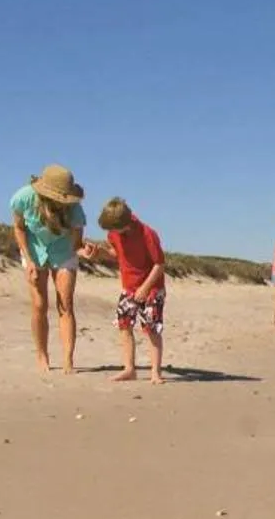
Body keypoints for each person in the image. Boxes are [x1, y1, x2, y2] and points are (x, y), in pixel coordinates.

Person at [10, 165, 87, 373]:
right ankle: (42, 355)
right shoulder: (23, 198)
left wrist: (83, 251)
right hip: (34, 252)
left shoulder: (75, 210)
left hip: (63, 252)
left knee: (65, 304)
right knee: (39, 304)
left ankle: (68, 359)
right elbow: (18, 228)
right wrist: (29, 261)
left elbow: (77, 242)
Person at [96, 197, 167, 384]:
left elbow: (159, 264)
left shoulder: (147, 234)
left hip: (152, 289)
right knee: (124, 325)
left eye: (113, 229)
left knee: (152, 329)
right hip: (128, 287)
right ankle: (129, 369)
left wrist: (145, 288)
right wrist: (99, 253)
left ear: (125, 224)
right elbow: (117, 254)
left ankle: (155, 372)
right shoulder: (114, 234)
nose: (110, 233)